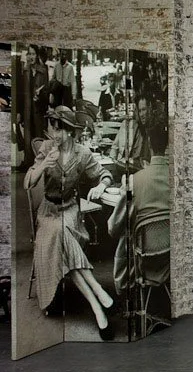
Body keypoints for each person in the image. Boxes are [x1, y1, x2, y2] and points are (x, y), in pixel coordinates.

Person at [24, 105, 116, 340]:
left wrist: (101, 185)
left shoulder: (83, 154)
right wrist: (44, 164)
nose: (55, 134)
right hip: (48, 212)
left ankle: (98, 308)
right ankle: (99, 300)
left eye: (60, 130)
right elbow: (28, 182)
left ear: (71, 132)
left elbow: (105, 175)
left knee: (63, 234)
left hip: (71, 211)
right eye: (54, 129)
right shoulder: (46, 149)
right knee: (60, 233)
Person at [109, 107, 170, 295]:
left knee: (125, 231)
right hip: (172, 256)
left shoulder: (135, 181)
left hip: (144, 257)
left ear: (149, 145)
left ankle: (124, 289)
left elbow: (113, 227)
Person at [111, 94, 151, 174]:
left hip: (142, 173)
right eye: (139, 111)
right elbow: (114, 148)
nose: (142, 114)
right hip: (123, 169)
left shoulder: (154, 131)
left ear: (150, 109)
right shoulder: (127, 124)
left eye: (144, 110)